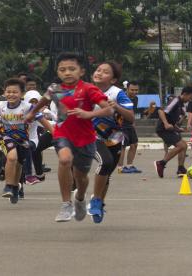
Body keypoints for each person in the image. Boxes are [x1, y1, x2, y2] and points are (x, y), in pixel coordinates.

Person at [26, 52, 112, 222]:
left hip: (85, 138)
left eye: (72, 69)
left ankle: (80, 198)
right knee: (65, 160)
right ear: (58, 72)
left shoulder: (89, 88)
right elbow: (43, 101)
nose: (67, 73)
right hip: (62, 132)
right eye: (62, 69)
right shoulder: (54, 88)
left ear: (81, 71)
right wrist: (32, 114)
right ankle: (66, 204)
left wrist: (88, 113)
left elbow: (108, 110)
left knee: (81, 177)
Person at [0, 79, 53, 203]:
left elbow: (43, 121)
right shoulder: (0, 106)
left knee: (19, 164)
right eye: (8, 92)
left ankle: (15, 187)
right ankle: (8, 186)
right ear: (4, 92)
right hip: (7, 137)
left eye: (15, 92)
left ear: (22, 94)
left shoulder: (29, 107)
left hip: (26, 139)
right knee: (11, 158)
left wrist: (55, 132)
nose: (11, 94)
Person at [91, 62, 134, 223]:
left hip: (115, 137)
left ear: (113, 79)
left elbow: (130, 117)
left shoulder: (117, 93)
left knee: (107, 172)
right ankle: (94, 199)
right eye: (98, 70)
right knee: (105, 162)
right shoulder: (87, 91)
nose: (100, 73)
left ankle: (100, 203)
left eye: (105, 72)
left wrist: (116, 106)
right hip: (92, 135)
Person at [154, 87, 192, 178]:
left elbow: (172, 120)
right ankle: (161, 163)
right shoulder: (176, 100)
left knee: (183, 145)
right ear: (185, 94)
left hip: (170, 128)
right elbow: (161, 111)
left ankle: (180, 168)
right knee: (181, 145)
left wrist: (177, 128)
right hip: (163, 128)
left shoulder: (181, 104)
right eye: (190, 97)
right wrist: (165, 123)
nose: (190, 99)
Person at [118, 81, 142, 173]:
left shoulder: (135, 99)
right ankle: (120, 168)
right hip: (120, 125)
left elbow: (132, 112)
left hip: (129, 124)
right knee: (122, 146)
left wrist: (133, 122)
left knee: (134, 144)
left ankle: (129, 165)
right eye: (132, 90)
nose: (134, 92)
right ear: (127, 89)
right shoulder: (121, 98)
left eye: (136, 90)